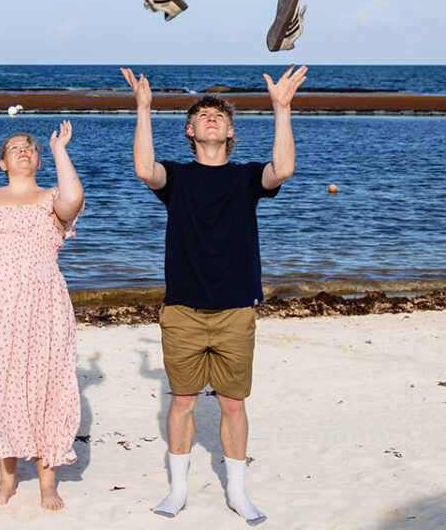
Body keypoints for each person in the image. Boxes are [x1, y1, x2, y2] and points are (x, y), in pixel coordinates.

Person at [121, 64, 307, 525]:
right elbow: (145, 168)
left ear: (229, 133)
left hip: (235, 311)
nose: (210, 117)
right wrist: (143, 108)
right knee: (181, 401)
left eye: (219, 116)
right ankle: (177, 490)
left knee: (233, 403)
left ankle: (238, 494)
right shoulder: (179, 180)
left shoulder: (245, 178)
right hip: (183, 309)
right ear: (189, 130)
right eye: (202, 114)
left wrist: (282, 108)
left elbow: (282, 168)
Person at [0, 122, 84, 511]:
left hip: (44, 305)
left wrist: (59, 149)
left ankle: (47, 481)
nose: (24, 150)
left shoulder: (52, 197)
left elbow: (75, 197)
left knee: (46, 388)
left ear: (38, 161)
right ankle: (7, 477)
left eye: (30, 148)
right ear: (2, 162)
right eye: (15, 148)